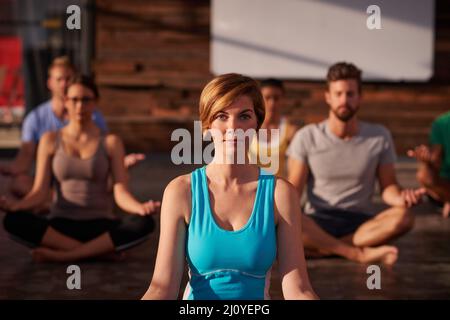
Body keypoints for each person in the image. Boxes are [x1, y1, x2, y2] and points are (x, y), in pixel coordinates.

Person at [141, 73, 317, 300]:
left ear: (257, 125)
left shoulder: (280, 193)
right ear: (206, 125)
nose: (233, 127)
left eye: (244, 116)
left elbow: (298, 289)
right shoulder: (181, 191)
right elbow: (161, 288)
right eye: (222, 116)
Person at [1, 75, 160, 263]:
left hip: (101, 225)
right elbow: (40, 191)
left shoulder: (110, 142)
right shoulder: (50, 140)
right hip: (60, 225)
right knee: (14, 219)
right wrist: (15, 206)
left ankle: (62, 255)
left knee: (144, 222)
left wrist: (141, 207)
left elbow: (120, 192)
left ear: (95, 103)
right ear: (65, 101)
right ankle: (98, 252)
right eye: (74, 99)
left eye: (86, 100)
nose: (80, 106)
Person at [287, 62, 426, 265]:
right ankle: (356, 253)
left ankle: (324, 249)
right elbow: (293, 192)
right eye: (339, 94)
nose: (344, 100)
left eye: (350, 94)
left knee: (404, 217)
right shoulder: (307, 136)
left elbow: (389, 187)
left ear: (359, 97)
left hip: (361, 224)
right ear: (328, 97)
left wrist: (402, 198)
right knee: (283, 219)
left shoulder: (379, 136)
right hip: (318, 220)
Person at [0, 56, 144, 198]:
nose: (64, 84)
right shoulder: (36, 119)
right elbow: (24, 158)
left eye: (68, 79)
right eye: (59, 80)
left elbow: (105, 152)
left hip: (86, 176)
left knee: (118, 181)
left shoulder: (93, 115)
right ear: (50, 83)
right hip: (50, 178)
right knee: (19, 184)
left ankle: (53, 203)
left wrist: (120, 163)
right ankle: (59, 201)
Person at [249, 78, 299, 177]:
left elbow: (295, 169)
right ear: (259, 99)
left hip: (278, 189)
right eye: (267, 98)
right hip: (251, 189)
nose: (272, 103)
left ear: (283, 99)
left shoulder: (290, 132)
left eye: (276, 98)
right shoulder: (248, 127)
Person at [408, 111, 450, 218]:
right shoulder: (442, 123)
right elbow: (436, 159)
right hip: (445, 186)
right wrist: (426, 161)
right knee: (423, 174)